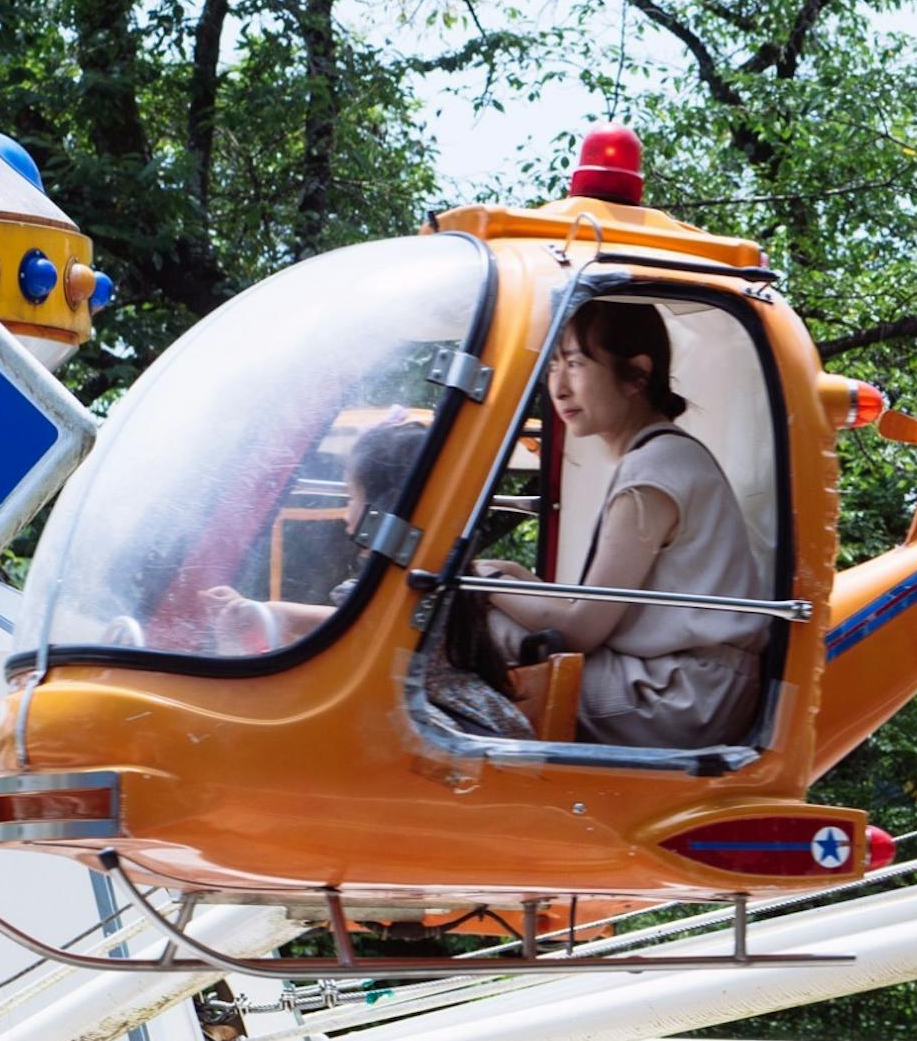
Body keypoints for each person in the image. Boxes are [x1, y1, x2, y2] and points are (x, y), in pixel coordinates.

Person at [476, 299, 763, 749]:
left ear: (637, 374)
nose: (559, 388)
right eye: (552, 367)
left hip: (676, 695)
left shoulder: (654, 469)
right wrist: (511, 575)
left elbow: (580, 629)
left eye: (575, 364)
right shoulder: (664, 456)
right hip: (694, 687)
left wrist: (482, 582)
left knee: (472, 629)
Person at [206, 419, 532, 738]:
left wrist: (258, 612)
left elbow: (343, 625)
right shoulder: (439, 574)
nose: (346, 514)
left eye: (351, 497)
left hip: (442, 728)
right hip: (478, 715)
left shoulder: (404, 589)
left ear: (382, 511)